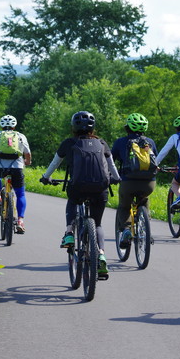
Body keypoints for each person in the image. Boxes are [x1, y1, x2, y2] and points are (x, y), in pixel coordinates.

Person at [40, 111, 121, 279]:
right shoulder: (101, 143)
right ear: (93, 128)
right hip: (100, 189)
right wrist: (117, 178)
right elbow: (111, 165)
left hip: (77, 187)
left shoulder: (69, 143)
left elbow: (55, 163)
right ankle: (101, 254)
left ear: (73, 127)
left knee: (73, 201)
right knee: (97, 224)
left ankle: (69, 232)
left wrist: (46, 177)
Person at [111, 113, 158, 248]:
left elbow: (110, 161)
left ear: (127, 128)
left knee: (124, 206)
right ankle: (145, 228)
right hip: (149, 183)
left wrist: (110, 177)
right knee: (144, 199)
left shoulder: (120, 142)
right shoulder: (150, 142)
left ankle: (126, 229)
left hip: (128, 182)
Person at [0, 115, 32, 233]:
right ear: (14, 126)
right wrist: (28, 162)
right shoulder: (20, 136)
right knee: (20, 194)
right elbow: (27, 153)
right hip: (17, 168)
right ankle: (20, 220)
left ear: (1, 125)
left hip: (0, 167)